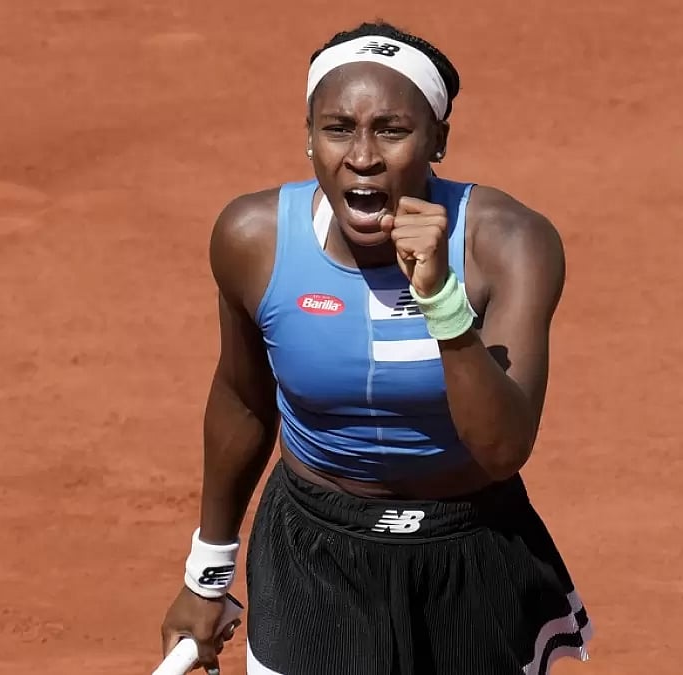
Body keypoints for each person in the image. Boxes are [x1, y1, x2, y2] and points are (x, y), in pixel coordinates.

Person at [158, 19, 594, 675]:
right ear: (308, 138)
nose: (361, 154)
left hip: (468, 551)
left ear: (438, 139)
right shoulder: (253, 239)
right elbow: (244, 400)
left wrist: (441, 298)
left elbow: (503, 447)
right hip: (312, 556)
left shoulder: (509, 244)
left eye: (392, 129)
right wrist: (207, 573)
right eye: (337, 128)